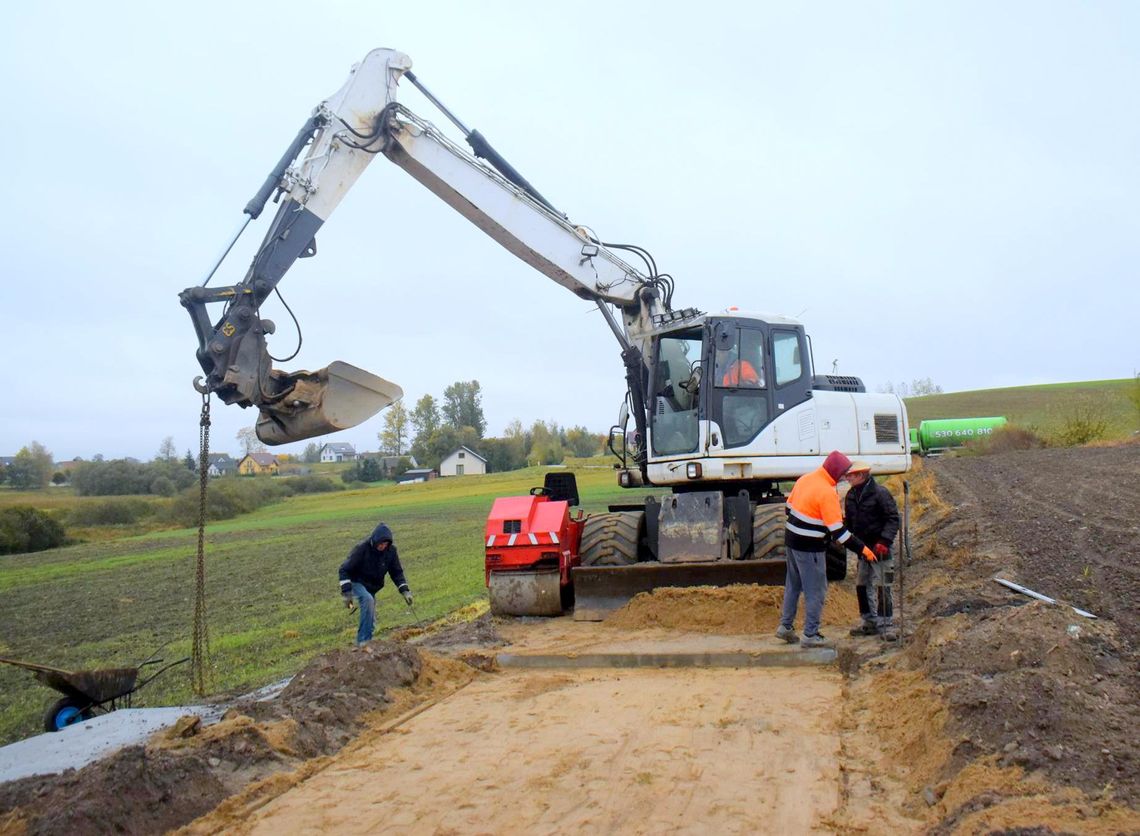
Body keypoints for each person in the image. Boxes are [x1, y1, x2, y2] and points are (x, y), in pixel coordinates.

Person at [778, 450, 878, 648]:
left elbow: (788, 509)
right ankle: (810, 634)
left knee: (793, 585)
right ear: (836, 472)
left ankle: (785, 627)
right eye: (843, 473)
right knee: (816, 590)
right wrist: (863, 550)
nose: (845, 477)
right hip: (809, 547)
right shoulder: (827, 492)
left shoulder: (805, 479)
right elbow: (838, 533)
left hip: (791, 541)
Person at [843, 461, 900, 637]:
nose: (847, 478)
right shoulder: (851, 495)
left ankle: (885, 623)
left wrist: (884, 540)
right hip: (862, 548)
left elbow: (892, 518)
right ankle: (869, 621)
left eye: (851, 475)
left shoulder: (881, 493)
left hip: (881, 547)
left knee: (884, 585)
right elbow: (851, 523)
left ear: (861, 475)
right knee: (862, 585)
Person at [338, 522, 413, 645]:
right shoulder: (362, 549)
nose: (383, 546)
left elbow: (397, 572)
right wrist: (347, 593)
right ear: (375, 540)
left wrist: (405, 591)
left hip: (372, 587)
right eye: (381, 543)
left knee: (370, 620)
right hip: (356, 581)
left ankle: (366, 643)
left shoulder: (391, 552)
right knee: (368, 600)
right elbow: (344, 569)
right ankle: (363, 642)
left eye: (386, 544)